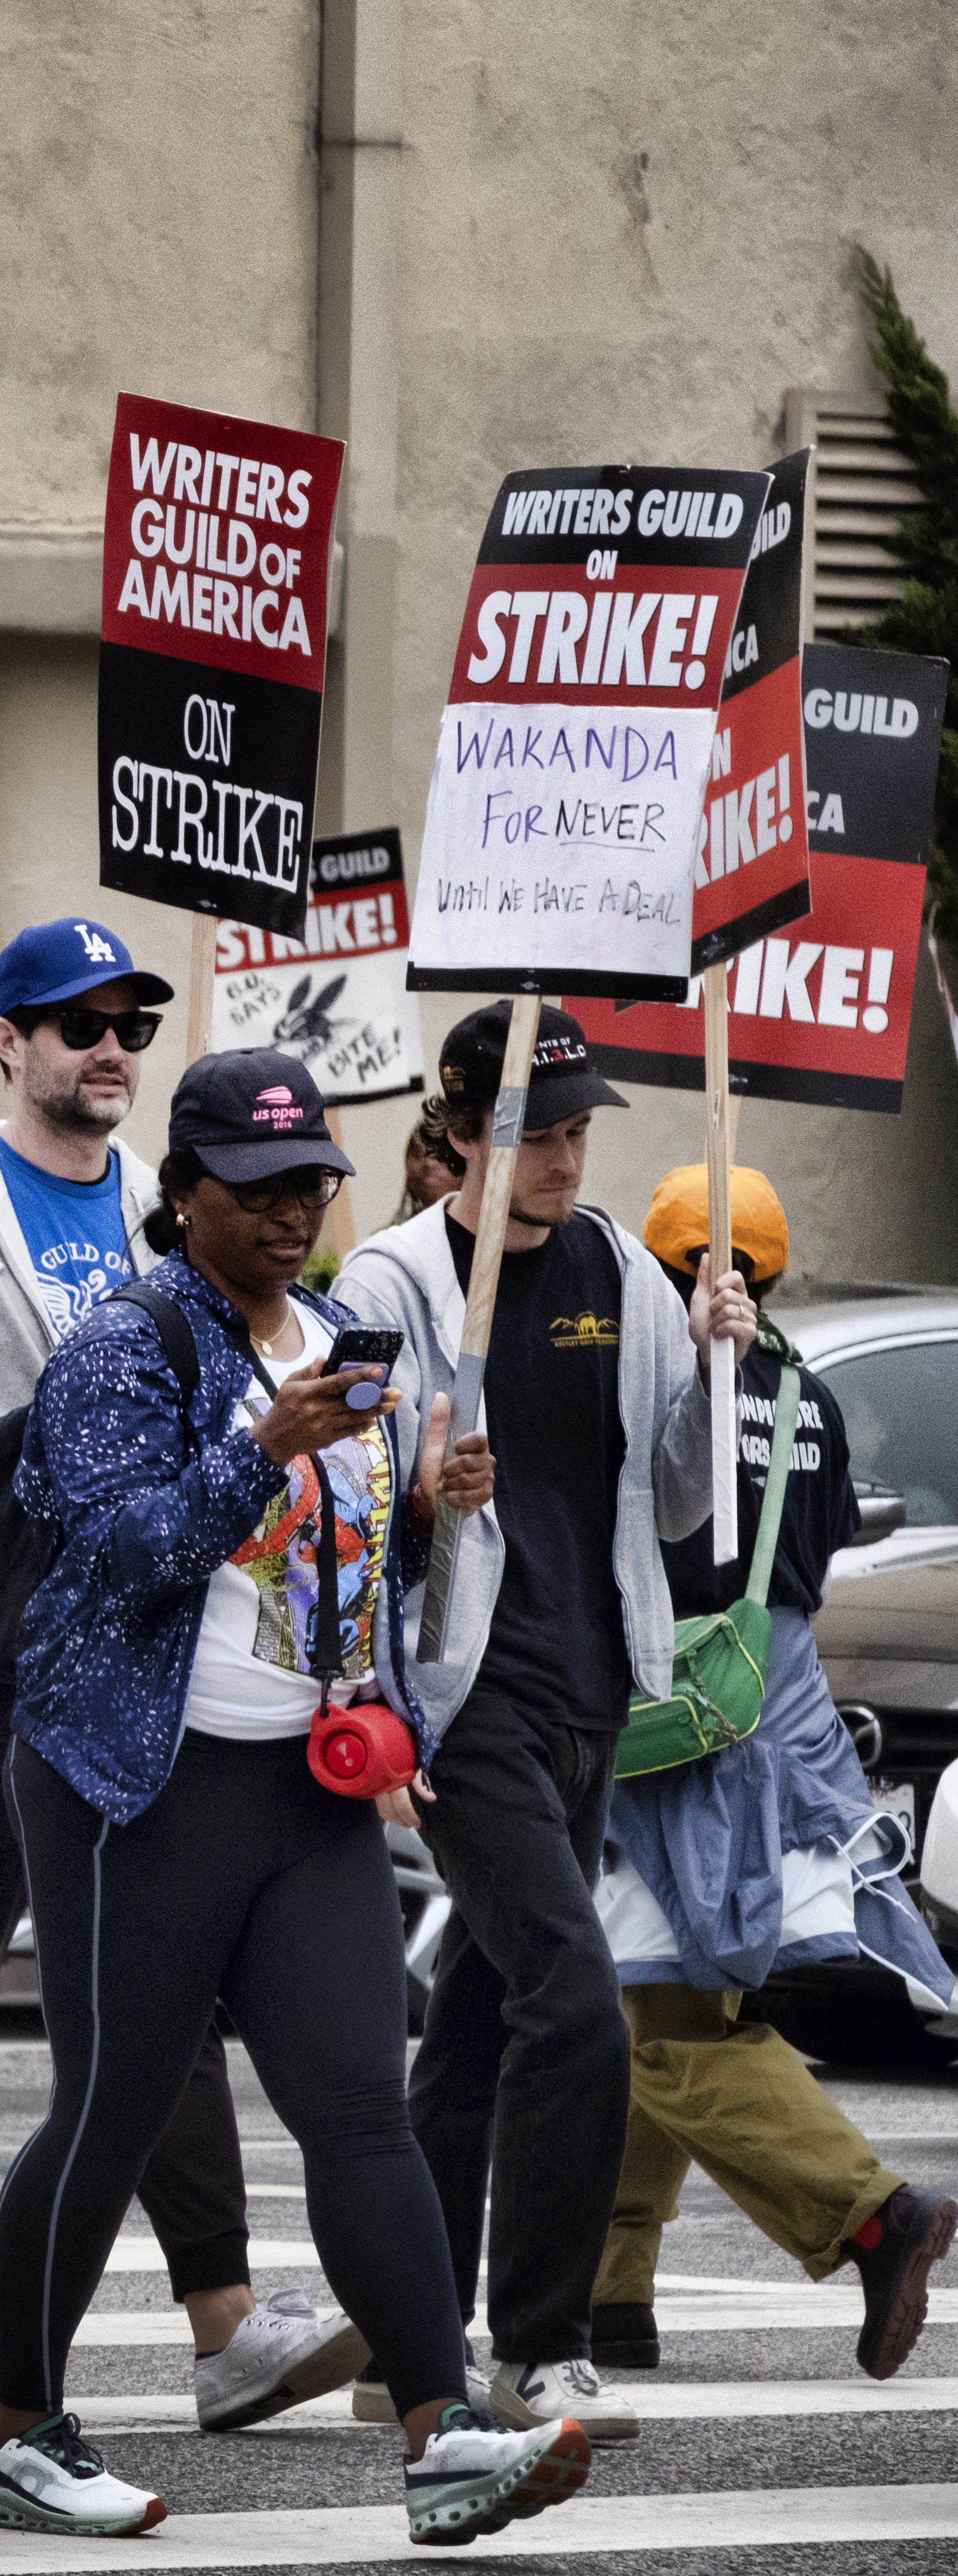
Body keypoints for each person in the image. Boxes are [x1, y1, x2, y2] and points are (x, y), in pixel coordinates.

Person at [0, 1048, 588, 2546]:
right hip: (134, 1781)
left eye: (308, 1183)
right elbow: (117, 1556)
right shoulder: (128, 1349)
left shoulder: (345, 1343)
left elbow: (342, 1574)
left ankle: (442, 2433)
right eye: (250, 1191)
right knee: (111, 2105)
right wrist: (259, 1452)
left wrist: (422, 1537)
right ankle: (22, 2428)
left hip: (305, 1786)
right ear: (182, 1195)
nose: (285, 1214)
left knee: (362, 2111)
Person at [0, 919, 350, 2432]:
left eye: (132, 1023)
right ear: (5, 1042)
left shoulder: (172, 1222)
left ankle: (223, 2319)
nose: (110, 1047)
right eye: (73, 1022)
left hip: (146, 1666)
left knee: (150, 1992)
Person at [334, 1002, 744, 2439]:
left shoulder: (618, 1268)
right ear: (458, 1133)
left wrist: (708, 1362)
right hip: (461, 1694)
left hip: (593, 1686)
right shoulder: (389, 1280)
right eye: (537, 1131)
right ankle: (541, 2342)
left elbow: (680, 1506)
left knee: (483, 2013)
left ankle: (410, 2328)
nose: (566, 1159)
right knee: (577, 2005)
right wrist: (420, 1502)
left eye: (577, 1133)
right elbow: (331, 1502)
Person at [594, 1165, 949, 2378]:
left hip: (683, 1726)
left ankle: (871, 2210)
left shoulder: (669, 1381)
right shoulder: (806, 1390)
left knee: (667, 2025)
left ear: (669, 1265)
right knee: (655, 2000)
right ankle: (609, 2292)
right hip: (775, 1716)